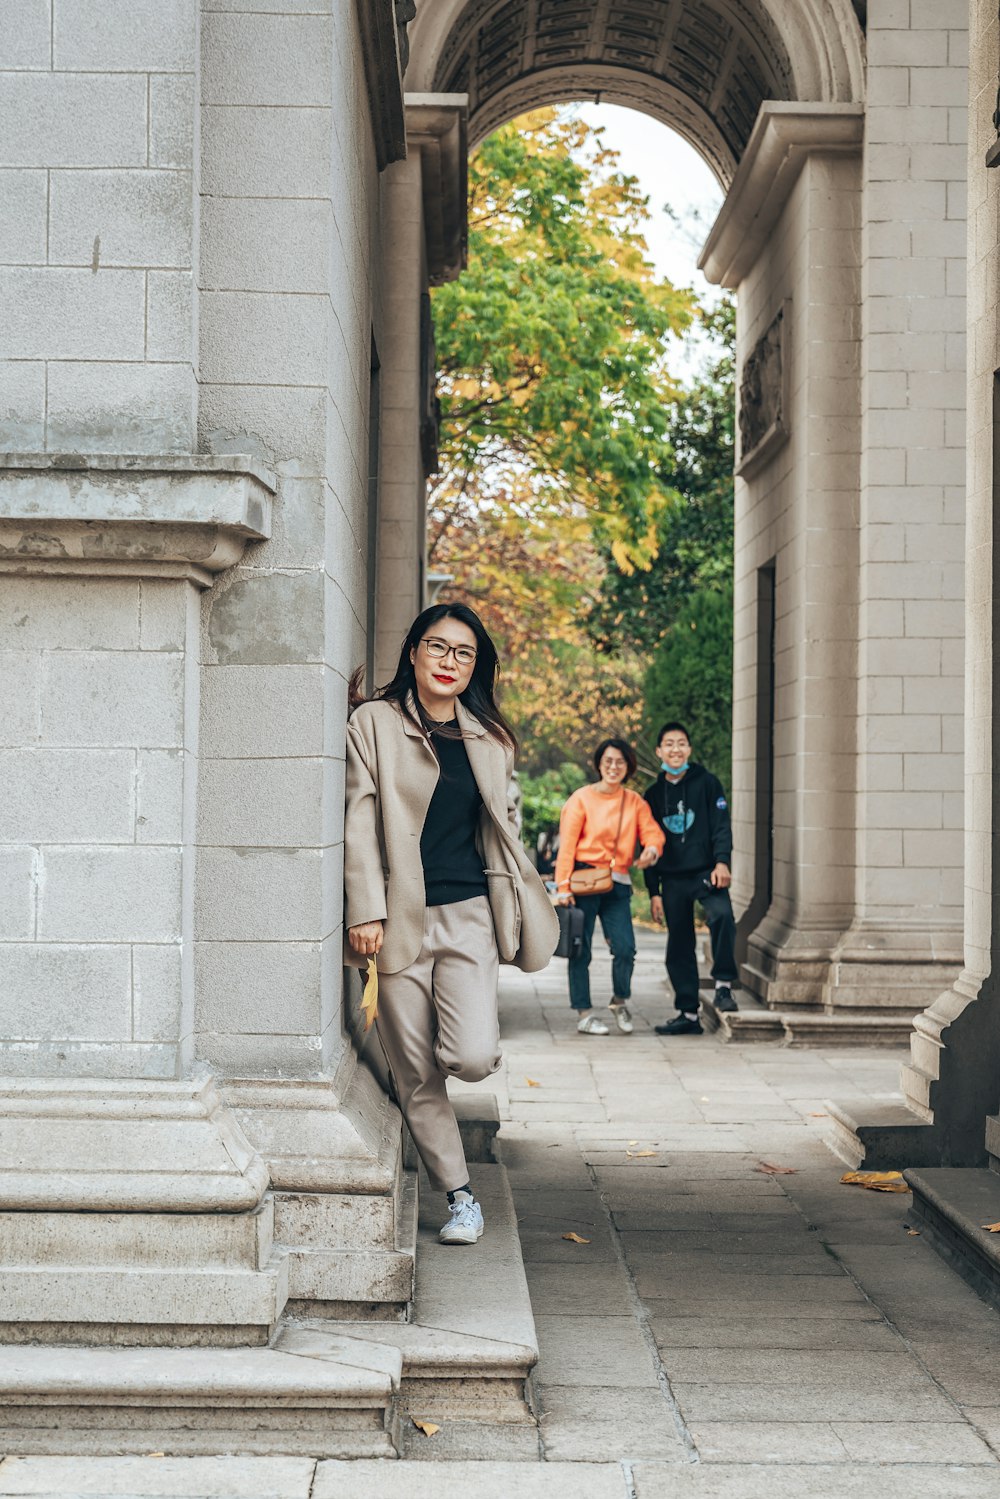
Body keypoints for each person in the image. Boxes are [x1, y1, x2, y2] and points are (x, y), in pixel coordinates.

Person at [345, 603, 558, 1246]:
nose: (448, 661)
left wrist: (516, 907)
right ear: (412, 653)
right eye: (437, 647)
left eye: (463, 653)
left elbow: (500, 829)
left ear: (474, 668)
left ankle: (438, 1046)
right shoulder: (373, 724)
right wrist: (365, 910)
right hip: (399, 922)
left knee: (469, 1056)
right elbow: (359, 820)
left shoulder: (488, 740)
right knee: (417, 1077)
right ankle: (461, 1196)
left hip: (468, 919)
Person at [555, 739, 664, 1035]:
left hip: (618, 884)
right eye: (608, 761)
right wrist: (563, 886)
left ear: (628, 766)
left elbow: (653, 834)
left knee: (626, 947)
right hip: (584, 880)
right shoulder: (580, 799)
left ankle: (619, 1000)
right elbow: (567, 846)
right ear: (598, 764)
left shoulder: (634, 802)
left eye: (620, 762)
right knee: (581, 950)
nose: (613, 767)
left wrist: (651, 850)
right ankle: (584, 1013)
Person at [643, 721, 738, 1036]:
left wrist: (722, 862)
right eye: (668, 743)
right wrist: (653, 891)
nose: (675, 749)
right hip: (672, 878)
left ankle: (723, 985)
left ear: (689, 749)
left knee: (723, 915)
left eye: (681, 743)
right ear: (659, 751)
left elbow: (721, 825)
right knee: (679, 943)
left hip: (705, 871)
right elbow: (648, 841)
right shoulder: (654, 794)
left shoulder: (707, 783)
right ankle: (688, 1013)